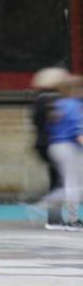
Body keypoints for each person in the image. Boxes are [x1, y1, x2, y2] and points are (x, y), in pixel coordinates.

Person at [30, 67, 69, 229]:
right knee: (61, 181)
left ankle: (54, 218)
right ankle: (51, 216)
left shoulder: (40, 99)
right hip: (55, 143)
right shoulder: (54, 100)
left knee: (58, 179)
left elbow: (36, 122)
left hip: (44, 143)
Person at [44, 72, 83, 231]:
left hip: (56, 146)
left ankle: (48, 205)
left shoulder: (59, 104)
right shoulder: (75, 106)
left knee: (69, 183)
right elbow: (78, 132)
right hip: (69, 147)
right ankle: (73, 220)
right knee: (73, 184)